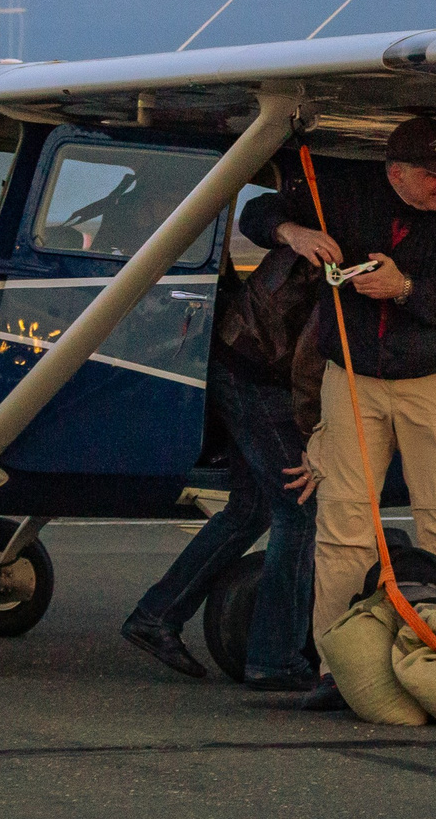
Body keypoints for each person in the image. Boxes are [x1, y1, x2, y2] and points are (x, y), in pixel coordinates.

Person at [244, 116, 436, 711]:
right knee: (342, 531)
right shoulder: (345, 195)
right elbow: (254, 214)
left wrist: (404, 287)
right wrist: (293, 232)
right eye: (433, 175)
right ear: (396, 173)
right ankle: (340, 671)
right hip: (351, 382)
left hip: (430, 385)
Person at [118, 208, 322, 691]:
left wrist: (287, 228)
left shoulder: (311, 228)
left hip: (240, 365)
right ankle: (275, 657)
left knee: (251, 508)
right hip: (259, 378)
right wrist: (319, 441)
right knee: (300, 508)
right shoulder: (339, 257)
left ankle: (156, 616)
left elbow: (257, 212)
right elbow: (315, 365)